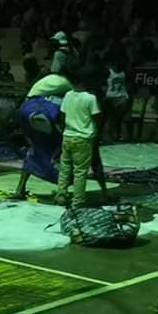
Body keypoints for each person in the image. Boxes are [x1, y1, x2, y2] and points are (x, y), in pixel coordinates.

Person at [56, 67, 102, 208]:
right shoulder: (90, 98)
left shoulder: (68, 95)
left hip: (68, 136)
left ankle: (61, 195)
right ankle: (78, 201)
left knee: (65, 168)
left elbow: (62, 115)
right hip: (83, 138)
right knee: (80, 172)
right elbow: (96, 117)